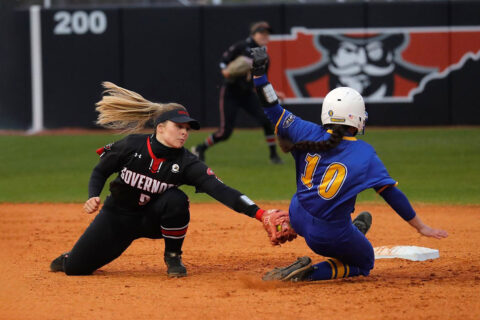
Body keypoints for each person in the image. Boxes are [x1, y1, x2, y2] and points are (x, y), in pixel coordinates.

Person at [49, 82, 295, 277]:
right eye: (179, 127)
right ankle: (74, 257)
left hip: (151, 220)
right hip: (116, 218)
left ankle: (173, 257)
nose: (184, 132)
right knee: (76, 270)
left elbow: (219, 189)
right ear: (160, 127)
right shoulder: (132, 146)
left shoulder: (187, 162)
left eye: (187, 128)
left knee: (176, 199)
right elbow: (100, 171)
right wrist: (93, 194)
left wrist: (260, 213)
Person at [249, 48, 448, 282]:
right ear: (357, 119)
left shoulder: (304, 130)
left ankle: (354, 232)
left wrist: (259, 74)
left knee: (340, 222)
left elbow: (271, 106)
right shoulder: (364, 154)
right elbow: (391, 194)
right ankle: (307, 274)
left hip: (298, 212)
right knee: (364, 262)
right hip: (326, 235)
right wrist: (420, 227)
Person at [191, 21, 283, 164]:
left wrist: (273, 91)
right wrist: (225, 71)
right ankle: (200, 148)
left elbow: (262, 80)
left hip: (247, 93)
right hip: (231, 92)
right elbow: (223, 62)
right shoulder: (241, 47)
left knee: (266, 121)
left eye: (267, 34)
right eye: (262, 33)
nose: (265, 36)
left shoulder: (262, 55)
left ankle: (273, 156)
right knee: (225, 133)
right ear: (254, 34)